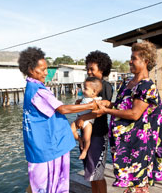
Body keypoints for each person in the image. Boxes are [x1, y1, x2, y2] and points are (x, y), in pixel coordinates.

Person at [94, 41, 162, 193]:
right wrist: (110, 104)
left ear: (145, 61)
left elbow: (135, 114)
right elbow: (123, 105)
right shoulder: (128, 82)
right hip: (125, 143)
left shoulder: (147, 86)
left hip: (139, 145)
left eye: (134, 58)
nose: (130, 61)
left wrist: (107, 112)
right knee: (130, 183)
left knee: (138, 184)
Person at [18, 47, 97, 193]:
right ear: (30, 69)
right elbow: (62, 109)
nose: (46, 73)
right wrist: (91, 105)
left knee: (37, 184)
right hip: (48, 148)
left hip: (43, 145)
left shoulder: (32, 87)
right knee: (47, 185)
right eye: (43, 69)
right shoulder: (38, 92)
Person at [75, 50, 113, 193]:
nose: (89, 72)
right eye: (88, 69)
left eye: (92, 69)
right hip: (86, 134)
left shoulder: (105, 86)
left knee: (98, 174)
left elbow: (104, 107)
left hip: (98, 135)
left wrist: (82, 117)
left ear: (102, 69)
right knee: (90, 173)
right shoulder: (89, 86)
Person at [71, 77, 103, 160]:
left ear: (94, 92)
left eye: (85, 88)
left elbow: (98, 109)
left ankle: (85, 151)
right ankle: (80, 141)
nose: (83, 90)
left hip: (88, 122)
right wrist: (78, 102)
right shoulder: (84, 99)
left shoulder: (96, 100)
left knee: (87, 137)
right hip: (78, 118)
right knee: (71, 130)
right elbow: (79, 104)